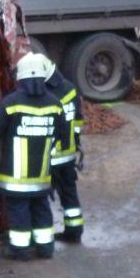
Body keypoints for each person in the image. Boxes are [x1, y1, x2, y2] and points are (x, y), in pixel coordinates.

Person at [0, 52, 70, 260]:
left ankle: (20, 250)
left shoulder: (11, 103)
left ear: (21, 77)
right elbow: (63, 133)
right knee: (41, 208)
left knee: (19, 211)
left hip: (15, 176)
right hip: (41, 175)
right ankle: (45, 248)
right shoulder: (55, 104)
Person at [43, 57, 85, 243]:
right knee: (69, 195)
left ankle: (42, 238)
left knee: (40, 197)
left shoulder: (44, 94)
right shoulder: (69, 88)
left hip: (49, 157)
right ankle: (74, 232)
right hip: (67, 154)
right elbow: (78, 119)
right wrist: (75, 141)